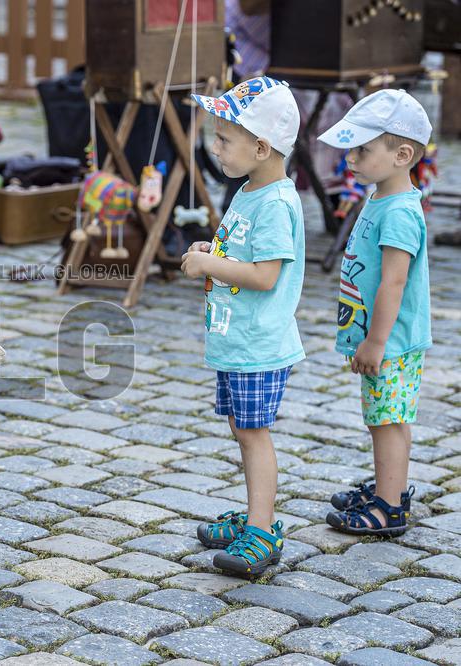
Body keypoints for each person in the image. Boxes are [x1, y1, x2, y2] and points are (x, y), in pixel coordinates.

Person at [181, 77, 305, 576]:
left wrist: (209, 267)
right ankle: (257, 512)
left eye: (224, 140)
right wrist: (214, 252)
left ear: (261, 146)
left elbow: (265, 274)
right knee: (241, 427)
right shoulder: (250, 192)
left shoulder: (275, 202)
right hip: (237, 342)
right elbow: (243, 255)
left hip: (259, 345)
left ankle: (263, 529)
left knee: (253, 434)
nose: (215, 148)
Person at [317, 90, 433, 536]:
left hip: (392, 341)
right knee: (391, 417)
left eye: (362, 150)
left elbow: (394, 282)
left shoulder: (400, 212)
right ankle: (393, 486)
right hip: (387, 340)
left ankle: (387, 507)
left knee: (384, 421)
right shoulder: (381, 196)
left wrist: (376, 342)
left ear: (402, 154)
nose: (350, 158)